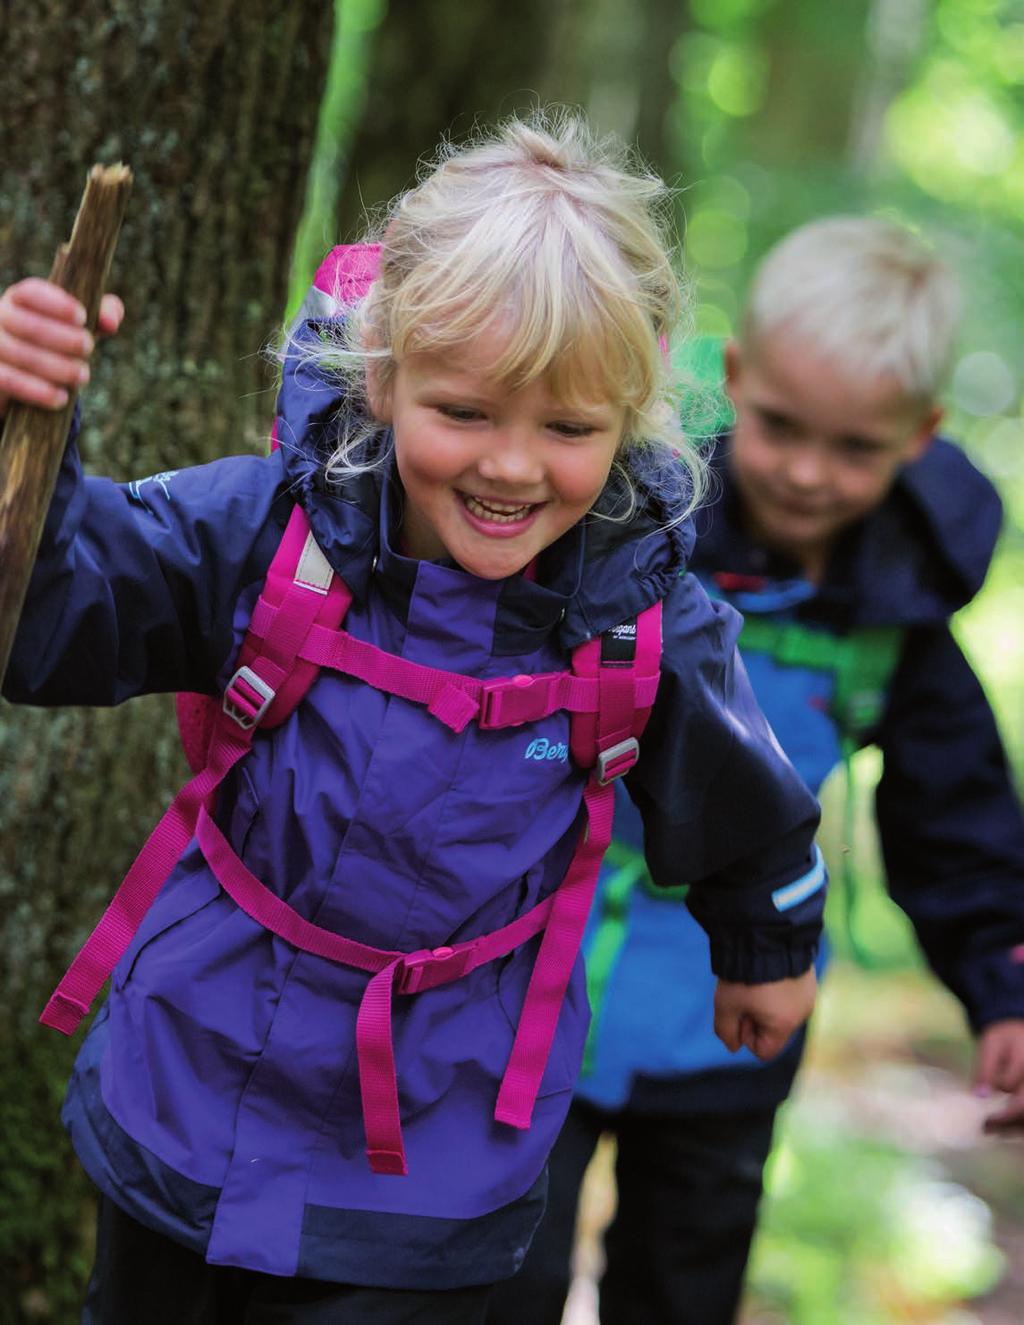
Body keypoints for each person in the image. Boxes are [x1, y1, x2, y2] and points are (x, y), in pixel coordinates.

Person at [0, 115, 825, 1325]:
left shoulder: (645, 623)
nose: (512, 466)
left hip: (440, 1125)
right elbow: (47, 612)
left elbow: (742, 797)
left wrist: (767, 945)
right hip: (197, 1062)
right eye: (467, 411)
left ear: (636, 409)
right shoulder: (265, 534)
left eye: (568, 428)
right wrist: (24, 435)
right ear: (383, 376)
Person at [486, 216, 1024, 1325]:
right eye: (780, 427)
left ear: (918, 435)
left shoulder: (898, 619)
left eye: (856, 448)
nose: (810, 473)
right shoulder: (634, 522)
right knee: (498, 1279)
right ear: (735, 378)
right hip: (526, 991)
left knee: (682, 1286)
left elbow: (955, 817)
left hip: (735, 1010)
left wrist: (1003, 981)